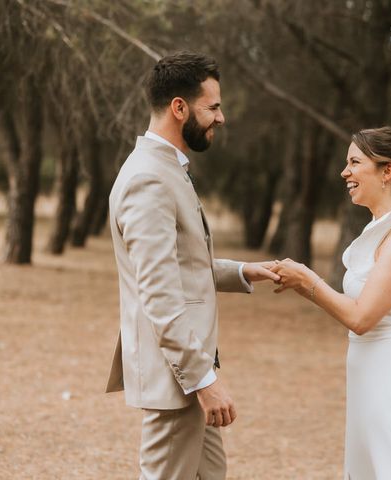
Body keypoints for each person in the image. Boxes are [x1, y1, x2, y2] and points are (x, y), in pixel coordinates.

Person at [105, 52, 280, 480]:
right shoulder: (149, 178)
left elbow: (180, 262)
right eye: (213, 107)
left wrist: (243, 271)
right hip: (178, 380)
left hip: (186, 377)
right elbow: (160, 294)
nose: (221, 118)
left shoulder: (166, 169)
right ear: (179, 108)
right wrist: (204, 381)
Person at [272, 126, 391, 479]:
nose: (345, 172)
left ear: (387, 171)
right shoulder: (380, 229)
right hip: (369, 375)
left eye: (355, 162)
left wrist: (307, 281)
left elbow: (362, 317)